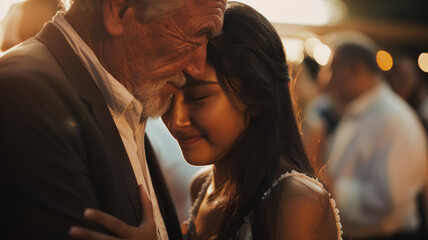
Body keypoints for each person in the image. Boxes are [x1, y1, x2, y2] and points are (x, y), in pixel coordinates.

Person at [69, 2, 342, 240]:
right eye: (167, 95)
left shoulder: (296, 201)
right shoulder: (202, 187)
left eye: (198, 97)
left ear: (256, 96)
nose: (176, 121)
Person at [0, 0, 226, 239]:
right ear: (118, 11)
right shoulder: (25, 94)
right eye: (195, 37)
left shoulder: (126, 95)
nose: (198, 68)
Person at [325, 43, 428, 239]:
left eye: (335, 71)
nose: (331, 81)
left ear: (356, 68)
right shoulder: (363, 110)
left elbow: (387, 197)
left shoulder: (392, 118)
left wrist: (333, 189)